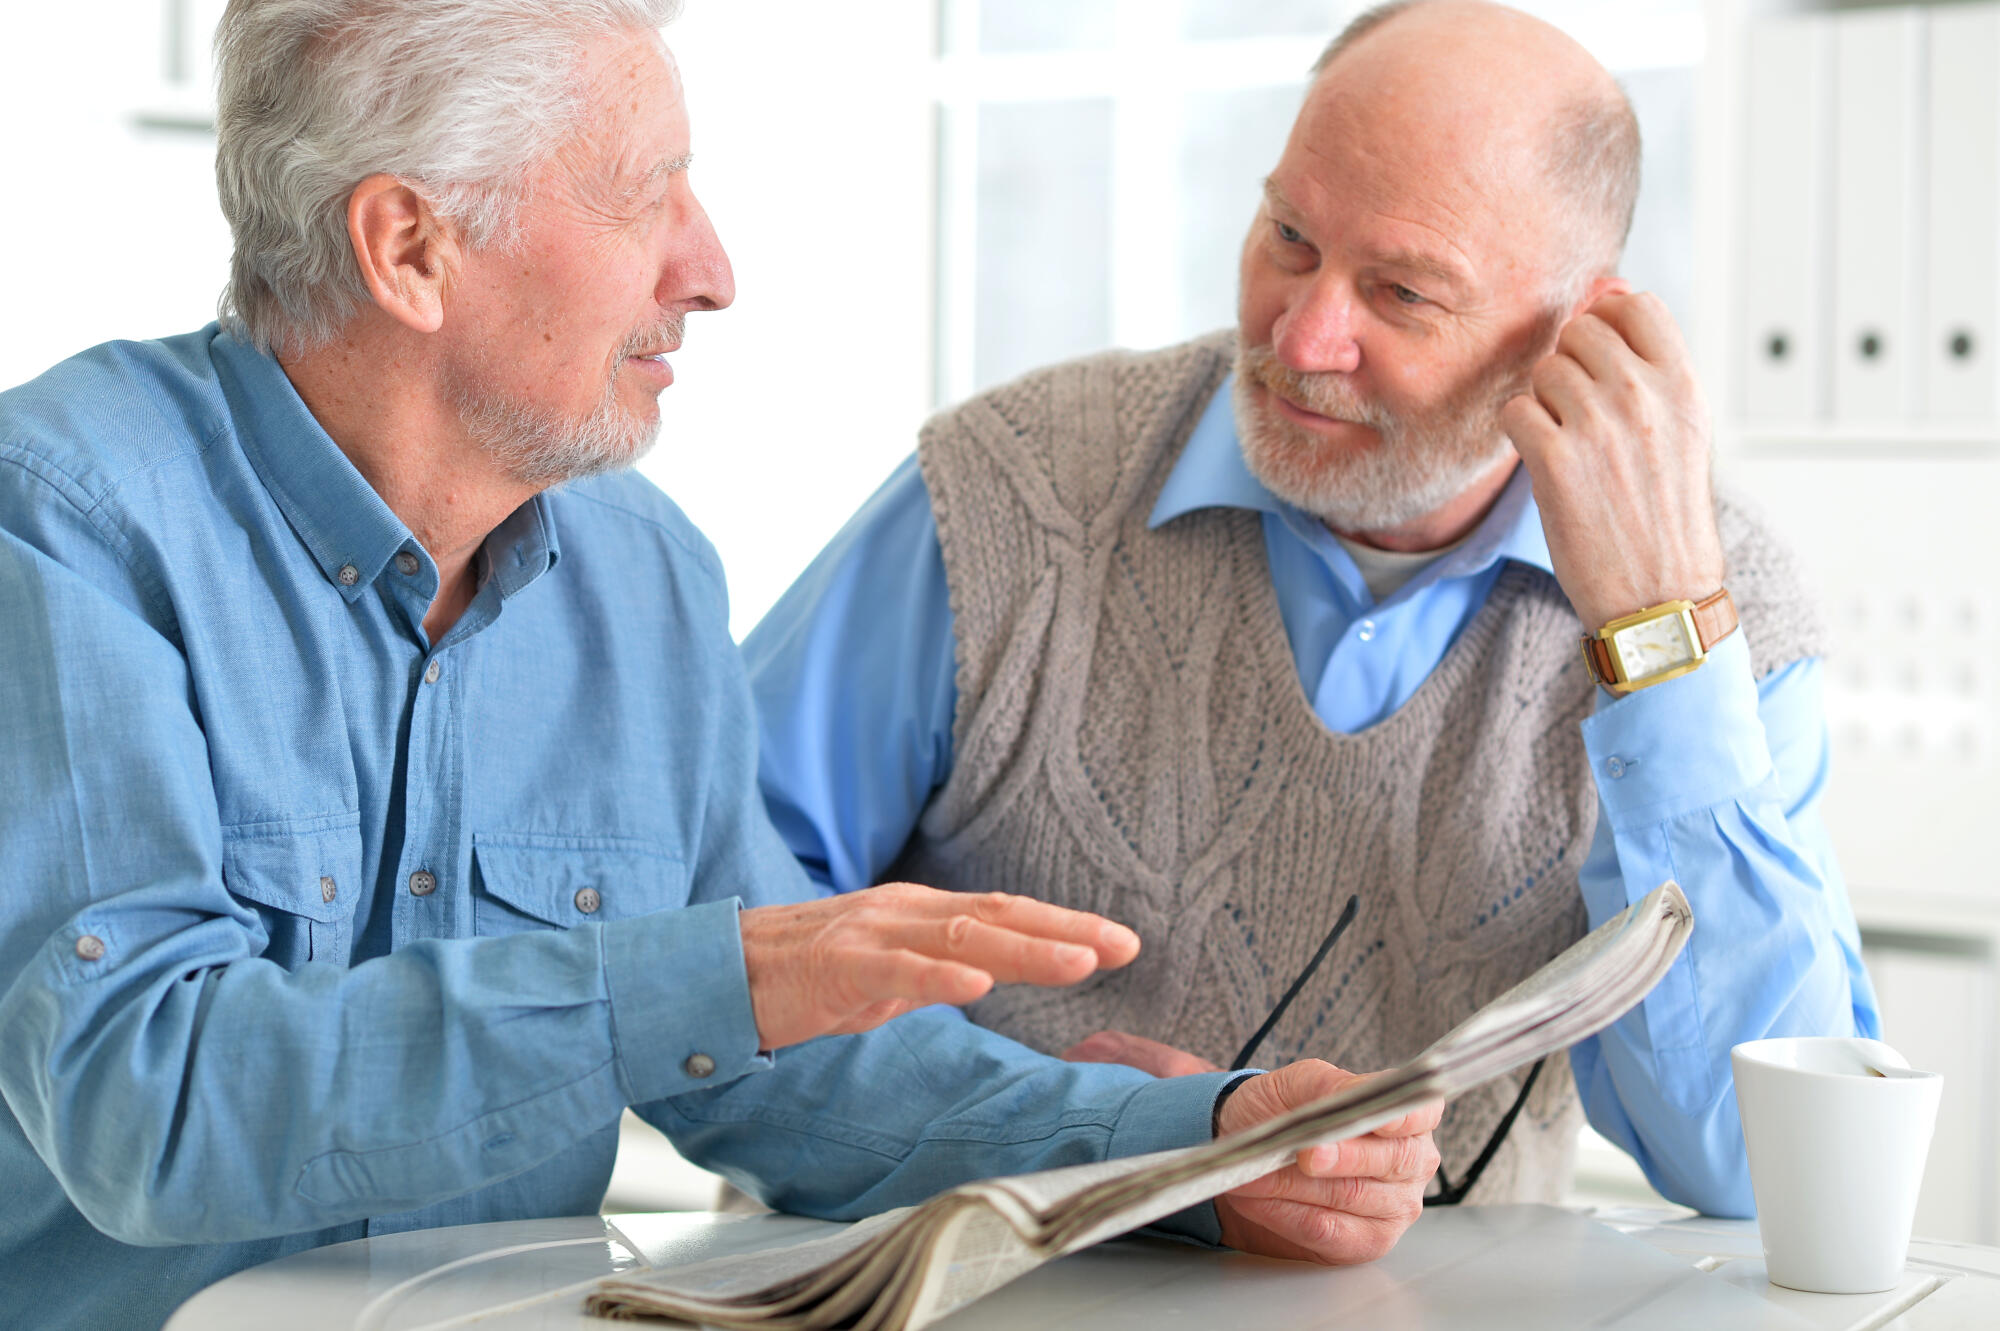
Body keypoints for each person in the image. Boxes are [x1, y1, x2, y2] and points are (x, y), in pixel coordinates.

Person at [0, 2, 1444, 1326]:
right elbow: (150, 1098)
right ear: (409, 249)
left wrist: (1203, 1145)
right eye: (645, 193)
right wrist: (708, 982)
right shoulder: (66, 520)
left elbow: (787, 1061)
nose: (711, 270)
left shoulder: (646, 572)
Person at [747, 0, 1879, 1217]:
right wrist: (1088, 1135)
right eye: (1287, 234)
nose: (1302, 334)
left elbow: (1762, 1163)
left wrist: (1656, 644)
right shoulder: (1002, 497)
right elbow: (714, 981)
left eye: (1399, 292)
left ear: (1573, 330)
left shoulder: (1719, 615)